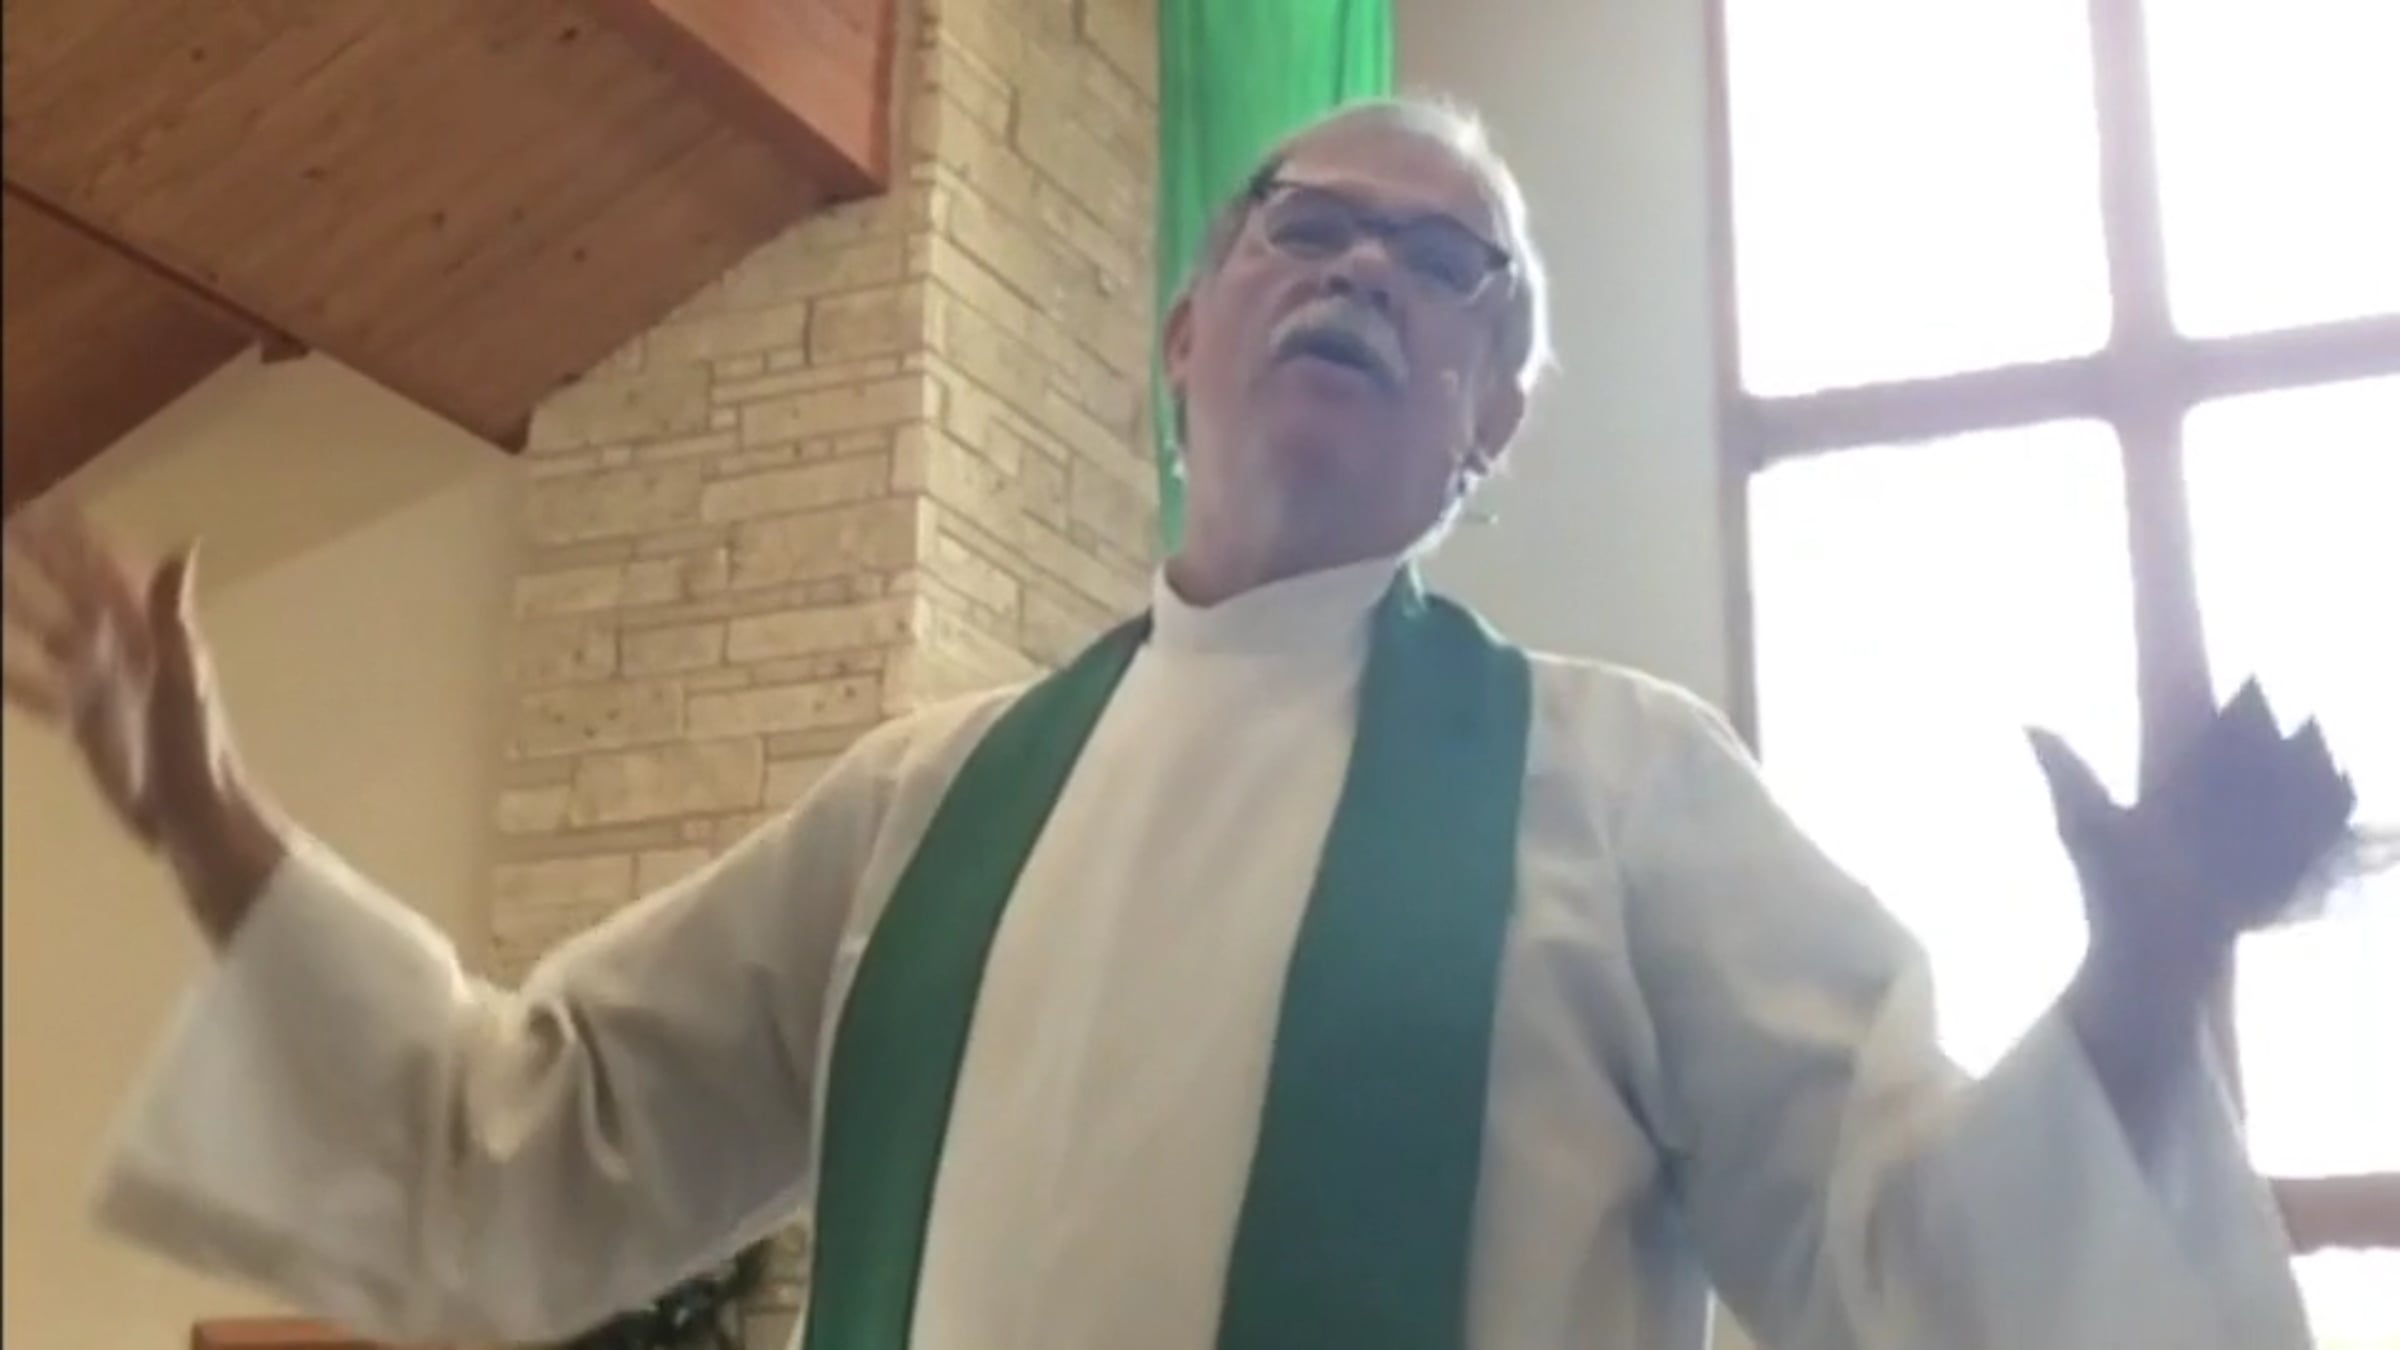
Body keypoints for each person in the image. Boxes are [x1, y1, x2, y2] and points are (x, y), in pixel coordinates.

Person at [0, 97, 2336, 1350]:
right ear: (1185, 339)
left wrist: (2144, 981)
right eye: (1304, 227)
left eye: (1447, 269)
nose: (1364, 270)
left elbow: (1900, 1263)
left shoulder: (1626, 796)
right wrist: (209, 825)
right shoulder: (921, 810)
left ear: (1492, 418)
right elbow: (536, 1146)